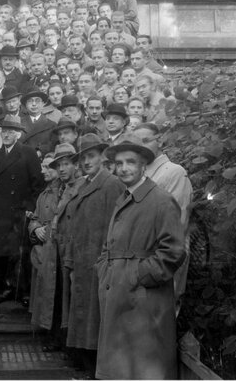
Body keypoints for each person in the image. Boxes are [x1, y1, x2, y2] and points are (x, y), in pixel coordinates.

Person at [95, 134, 186, 380]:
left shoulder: (160, 200)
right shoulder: (123, 198)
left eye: (131, 162)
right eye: (119, 163)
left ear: (143, 165)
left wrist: (138, 275)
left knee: (144, 368)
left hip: (144, 300)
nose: (124, 168)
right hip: (120, 294)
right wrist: (105, 268)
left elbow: (174, 251)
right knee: (121, 368)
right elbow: (110, 244)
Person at [60, 134, 126, 376]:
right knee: (84, 316)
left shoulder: (111, 185)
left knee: (96, 319)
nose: (87, 162)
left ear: (102, 157)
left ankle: (97, 369)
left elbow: (116, 226)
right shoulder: (85, 184)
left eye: (92, 156)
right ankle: (87, 365)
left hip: (99, 261)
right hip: (81, 259)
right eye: (83, 158)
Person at [0, 115, 46, 304]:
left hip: (20, 211)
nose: (7, 134)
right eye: (4, 131)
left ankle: (23, 291)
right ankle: (6, 288)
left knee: (20, 253)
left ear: (18, 134)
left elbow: (38, 185)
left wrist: (29, 207)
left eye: (11, 131)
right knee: (2, 253)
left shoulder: (27, 153)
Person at [134, 124, 193, 306]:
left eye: (146, 140)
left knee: (161, 318)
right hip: (142, 257)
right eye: (138, 143)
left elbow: (177, 223)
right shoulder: (138, 173)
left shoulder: (174, 172)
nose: (142, 147)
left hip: (164, 257)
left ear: (159, 140)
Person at [28, 154, 61, 348]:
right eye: (42, 167)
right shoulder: (44, 194)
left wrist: (46, 230)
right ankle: (46, 332)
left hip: (55, 249)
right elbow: (36, 217)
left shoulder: (64, 192)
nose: (43, 171)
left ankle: (55, 336)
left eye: (48, 167)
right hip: (42, 250)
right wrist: (35, 228)